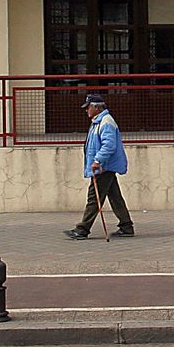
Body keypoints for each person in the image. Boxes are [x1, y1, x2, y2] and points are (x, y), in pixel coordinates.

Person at [64, 94, 134, 240]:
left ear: (96, 107)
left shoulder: (106, 122)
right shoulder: (99, 121)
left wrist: (97, 161)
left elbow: (109, 145)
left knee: (94, 198)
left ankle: (82, 229)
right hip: (104, 166)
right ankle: (126, 226)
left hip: (104, 167)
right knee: (115, 197)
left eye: (88, 107)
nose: (86, 110)